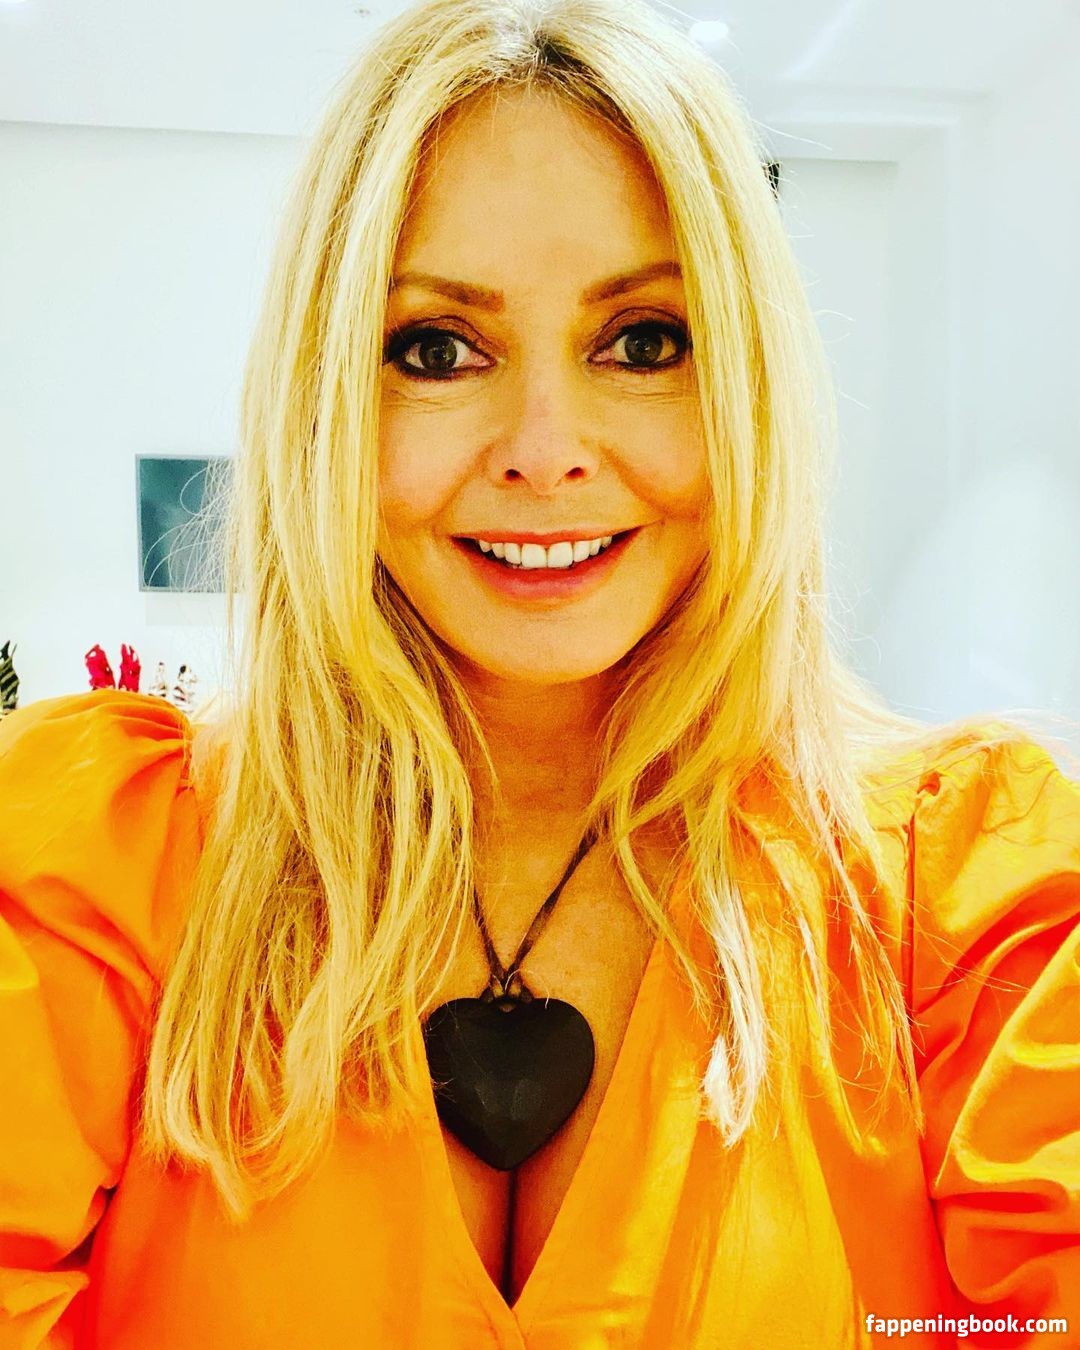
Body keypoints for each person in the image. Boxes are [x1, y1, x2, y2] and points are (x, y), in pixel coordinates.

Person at [1, 1, 1078, 1346]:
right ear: (329, 401)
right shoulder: (97, 877)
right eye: (437, 350)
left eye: (644, 341)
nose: (546, 448)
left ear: (746, 386)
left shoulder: (966, 902)